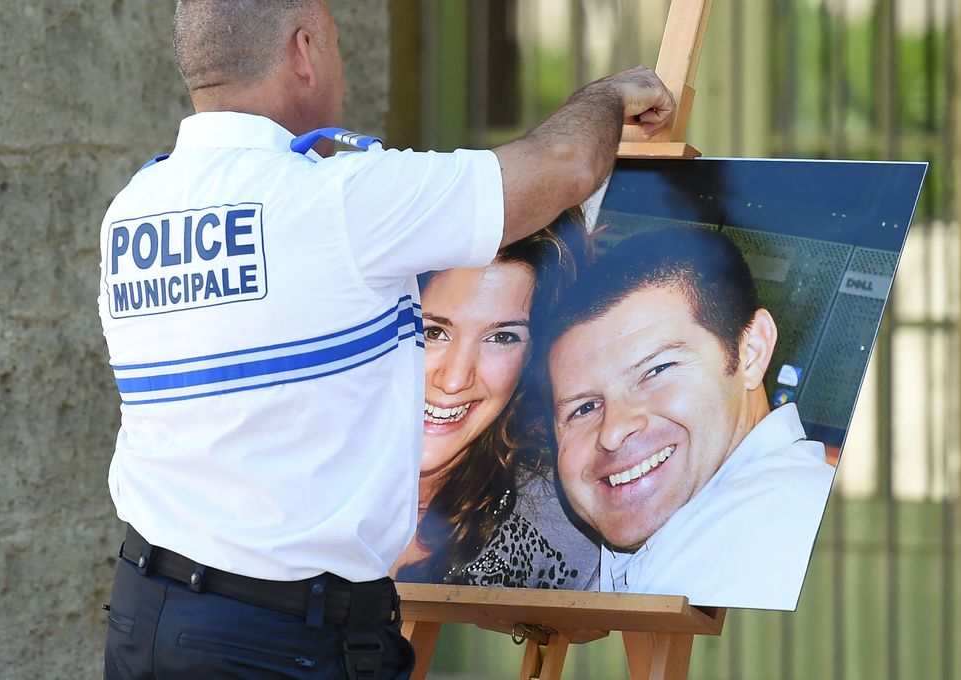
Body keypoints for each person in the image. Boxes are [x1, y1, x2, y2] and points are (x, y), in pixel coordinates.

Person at [96, 1, 674, 678]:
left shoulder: (137, 206)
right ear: (305, 49)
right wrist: (606, 95)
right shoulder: (336, 199)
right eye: (337, 46)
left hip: (150, 612)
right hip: (278, 637)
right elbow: (567, 164)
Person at [543, 226, 835, 610]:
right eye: (583, 408)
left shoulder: (759, 539)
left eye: (656, 371)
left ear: (751, 352)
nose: (613, 431)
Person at [392, 211, 598, 589]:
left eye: (502, 338)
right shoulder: (288, 467)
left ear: (535, 360)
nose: (455, 379)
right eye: (434, 331)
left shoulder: (553, 529)